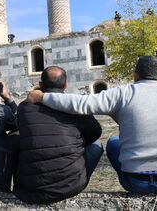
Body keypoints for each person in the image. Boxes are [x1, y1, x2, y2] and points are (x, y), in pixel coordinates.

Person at [27, 56, 157, 194]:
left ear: (135, 75)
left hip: (134, 183)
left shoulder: (122, 94)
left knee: (113, 142)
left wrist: (42, 97)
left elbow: (80, 103)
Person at [14, 66, 103, 204]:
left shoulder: (25, 107)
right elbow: (95, 133)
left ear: (40, 85)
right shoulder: (75, 104)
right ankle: (78, 175)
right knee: (97, 145)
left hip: (30, 186)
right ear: (66, 85)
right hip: (70, 185)